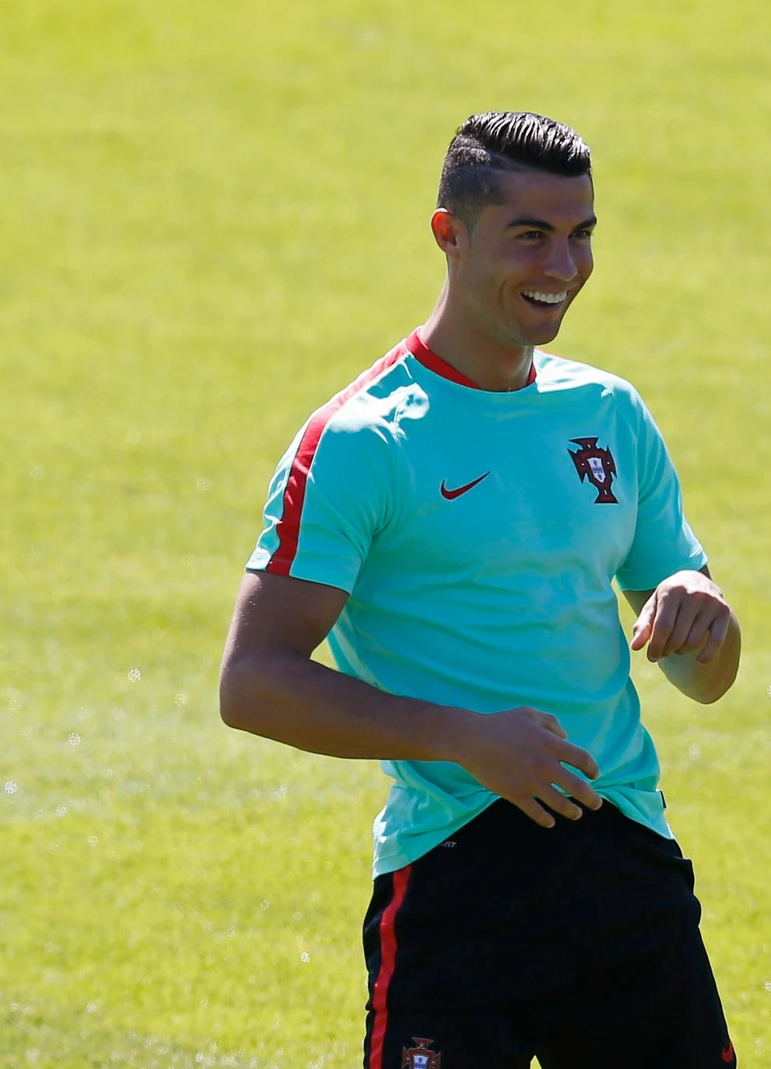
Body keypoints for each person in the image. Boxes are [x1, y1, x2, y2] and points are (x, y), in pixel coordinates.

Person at [218, 111, 742, 1069]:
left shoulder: (609, 413)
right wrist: (462, 735)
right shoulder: (362, 441)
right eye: (531, 235)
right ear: (448, 234)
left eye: (582, 233)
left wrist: (706, 619)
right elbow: (252, 682)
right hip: (457, 878)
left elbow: (704, 678)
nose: (566, 265)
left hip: (624, 858)